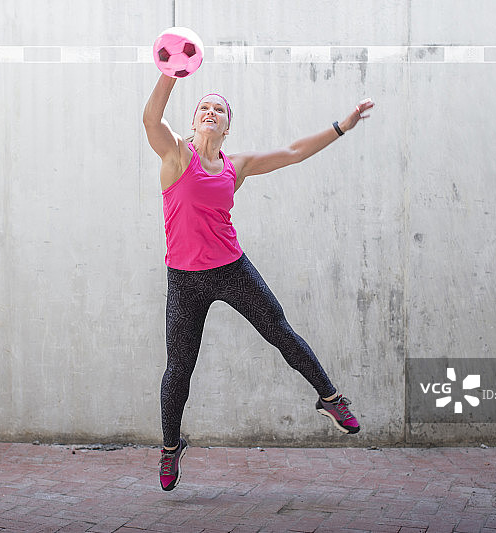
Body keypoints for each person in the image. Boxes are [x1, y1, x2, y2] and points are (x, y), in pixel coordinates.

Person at [143, 72, 374, 491]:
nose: (210, 113)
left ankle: (330, 399)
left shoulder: (237, 166)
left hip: (231, 268)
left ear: (227, 126)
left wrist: (342, 126)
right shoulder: (177, 154)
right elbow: (150, 121)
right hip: (184, 280)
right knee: (179, 368)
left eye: (219, 110)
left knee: (279, 329)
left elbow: (292, 152)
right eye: (204, 108)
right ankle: (170, 448)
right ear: (194, 121)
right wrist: (169, 74)